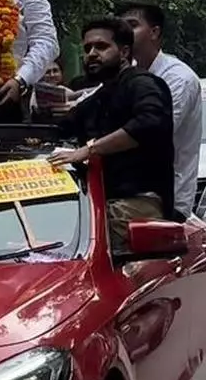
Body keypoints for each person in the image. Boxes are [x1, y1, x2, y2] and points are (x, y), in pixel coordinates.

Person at [50, 18, 175, 247]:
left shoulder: (143, 84)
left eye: (101, 47)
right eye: (87, 48)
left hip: (136, 205)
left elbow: (149, 124)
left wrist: (89, 150)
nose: (92, 54)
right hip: (96, 204)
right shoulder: (100, 96)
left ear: (124, 51)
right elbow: (59, 130)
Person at [116, 0, 202, 218]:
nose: (124, 33)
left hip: (164, 199)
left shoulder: (178, 78)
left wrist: (92, 146)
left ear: (154, 32)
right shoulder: (130, 73)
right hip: (130, 192)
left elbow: (150, 133)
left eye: (132, 25)